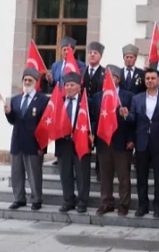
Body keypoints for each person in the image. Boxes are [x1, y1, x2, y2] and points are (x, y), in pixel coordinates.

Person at [90, 65, 135, 216]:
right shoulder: (97, 97)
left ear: (118, 79)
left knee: (123, 176)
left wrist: (131, 139)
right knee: (105, 175)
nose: (108, 80)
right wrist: (93, 136)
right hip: (103, 142)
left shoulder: (128, 96)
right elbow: (95, 119)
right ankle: (106, 203)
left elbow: (133, 121)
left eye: (112, 77)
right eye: (106, 77)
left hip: (121, 142)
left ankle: (123, 204)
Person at [4, 68, 50, 211]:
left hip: (34, 143)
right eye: (25, 80)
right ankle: (19, 198)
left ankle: (36, 199)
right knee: (16, 173)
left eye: (30, 80)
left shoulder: (43, 100)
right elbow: (13, 121)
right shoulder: (16, 99)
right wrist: (8, 113)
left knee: (34, 173)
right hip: (17, 141)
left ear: (36, 83)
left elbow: (45, 124)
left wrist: (43, 146)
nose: (27, 82)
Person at [127, 68, 159, 218]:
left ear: (158, 80)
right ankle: (142, 206)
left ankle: (158, 206)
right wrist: (125, 115)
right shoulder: (136, 99)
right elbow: (132, 119)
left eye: (153, 78)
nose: (150, 81)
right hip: (142, 142)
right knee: (141, 177)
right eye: (147, 78)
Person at [55, 72, 92, 213]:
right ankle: (68, 200)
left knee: (82, 173)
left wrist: (91, 134)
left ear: (79, 86)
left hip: (80, 141)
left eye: (72, 85)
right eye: (67, 85)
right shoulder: (60, 102)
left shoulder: (87, 102)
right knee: (65, 174)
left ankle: (82, 202)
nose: (69, 88)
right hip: (63, 143)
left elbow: (92, 120)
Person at [82, 41, 105, 180]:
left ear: (100, 56)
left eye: (95, 53)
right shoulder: (82, 71)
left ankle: (99, 171)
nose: (92, 55)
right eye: (90, 53)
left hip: (99, 110)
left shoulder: (104, 73)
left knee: (99, 141)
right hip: (84, 112)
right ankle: (82, 170)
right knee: (83, 138)